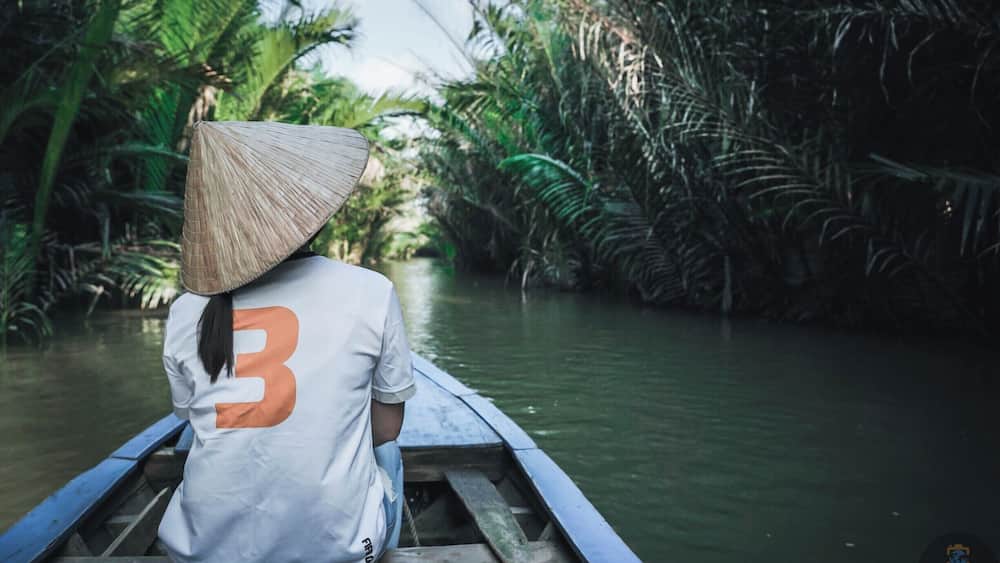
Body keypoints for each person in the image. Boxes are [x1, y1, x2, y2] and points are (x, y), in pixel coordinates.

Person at [157, 121, 415, 562]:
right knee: (387, 457)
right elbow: (385, 429)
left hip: (202, 550)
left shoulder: (187, 310)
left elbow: (190, 414)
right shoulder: (371, 291)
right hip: (339, 552)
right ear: (309, 212)